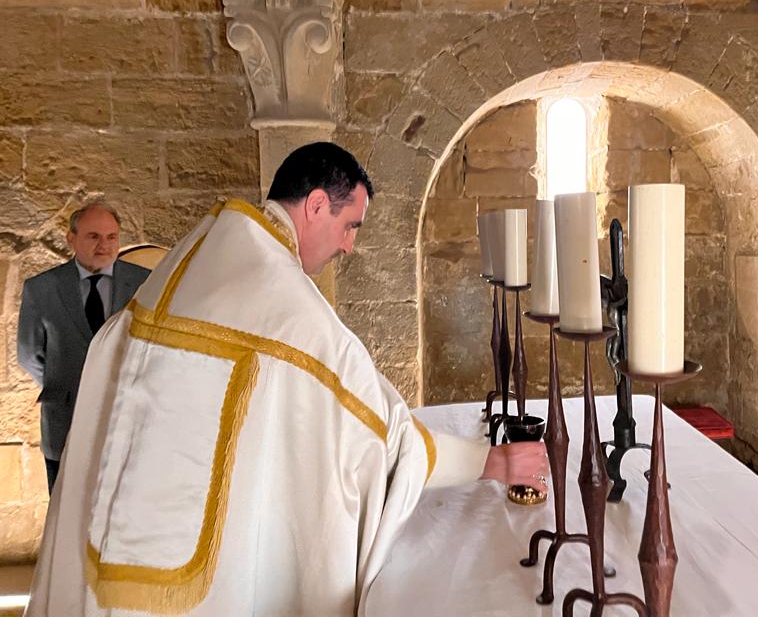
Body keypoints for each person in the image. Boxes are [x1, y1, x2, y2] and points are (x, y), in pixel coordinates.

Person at [27, 142, 547, 617]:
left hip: (108, 552)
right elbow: (377, 432)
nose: (348, 246)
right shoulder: (280, 296)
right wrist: (491, 461)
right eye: (350, 225)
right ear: (317, 204)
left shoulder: (201, 256)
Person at [17, 201, 150, 494]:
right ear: (71, 238)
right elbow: (29, 353)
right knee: (65, 514)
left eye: (111, 237)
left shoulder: (146, 285)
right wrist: (66, 382)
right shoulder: (41, 288)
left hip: (125, 421)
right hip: (66, 420)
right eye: (93, 236)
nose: (104, 245)